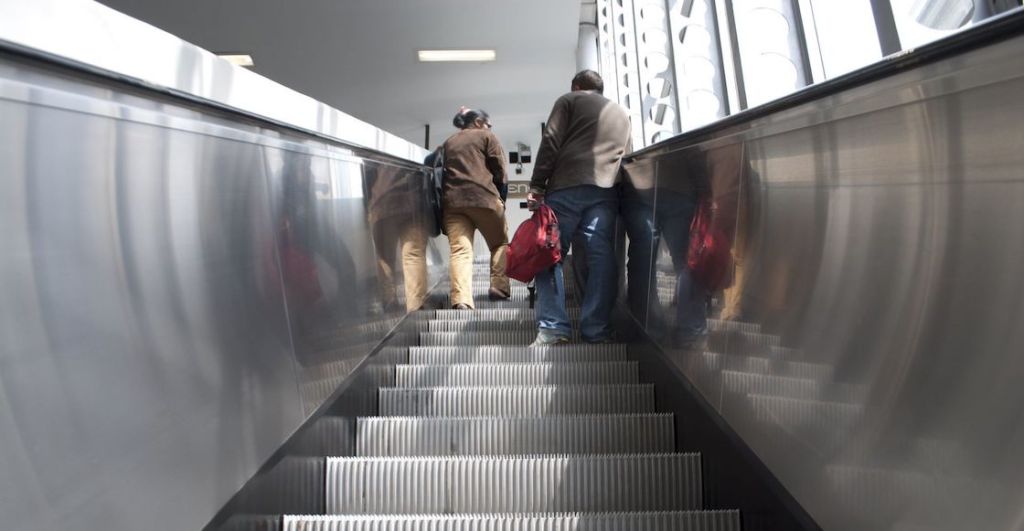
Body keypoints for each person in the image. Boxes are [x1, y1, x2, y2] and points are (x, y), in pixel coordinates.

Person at [527, 70, 632, 344]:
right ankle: (596, 329)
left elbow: (551, 139)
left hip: (567, 186)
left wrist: (537, 185)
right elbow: (628, 154)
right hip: (606, 190)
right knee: (600, 256)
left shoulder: (569, 100)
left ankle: (554, 327)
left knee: (550, 254)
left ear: (576, 86)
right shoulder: (621, 112)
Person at [439, 107, 511, 309]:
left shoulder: (449, 142)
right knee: (499, 244)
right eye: (489, 124)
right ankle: (499, 286)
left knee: (460, 251)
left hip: (453, 204)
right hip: (484, 199)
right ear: (479, 122)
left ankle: (461, 299)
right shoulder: (486, 136)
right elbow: (500, 171)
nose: (490, 127)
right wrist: (502, 199)